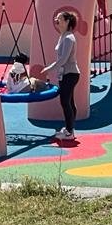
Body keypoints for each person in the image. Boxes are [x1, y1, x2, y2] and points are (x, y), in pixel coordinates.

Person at [40, 10, 81, 140]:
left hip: (70, 73)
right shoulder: (63, 36)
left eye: (59, 19)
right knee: (69, 101)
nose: (56, 21)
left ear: (67, 21)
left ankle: (69, 131)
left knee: (65, 102)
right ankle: (70, 128)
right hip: (65, 74)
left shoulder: (69, 38)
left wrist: (49, 68)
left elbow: (63, 59)